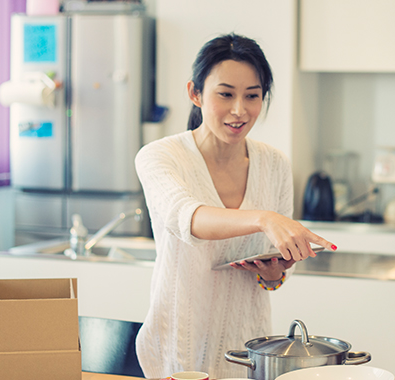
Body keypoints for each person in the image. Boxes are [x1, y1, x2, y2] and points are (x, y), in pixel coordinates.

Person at [134, 33, 336, 379]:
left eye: (252, 96)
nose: (239, 110)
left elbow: (273, 274)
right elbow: (187, 218)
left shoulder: (274, 164)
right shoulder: (160, 155)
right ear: (194, 93)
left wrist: (275, 272)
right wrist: (263, 219)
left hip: (250, 351)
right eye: (225, 94)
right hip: (177, 349)